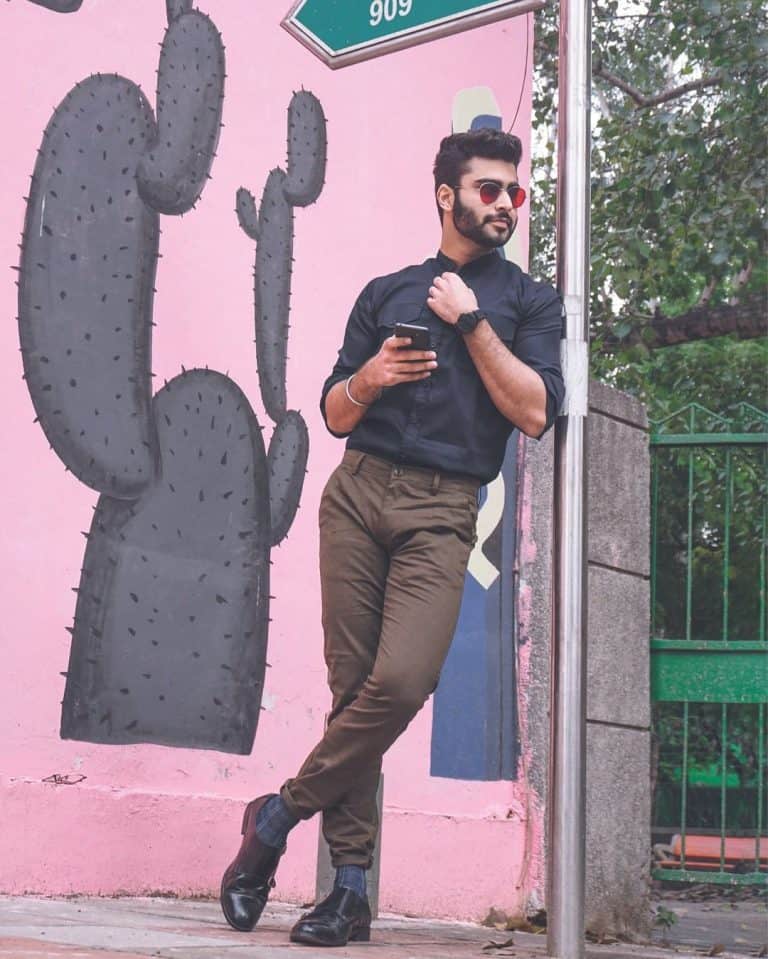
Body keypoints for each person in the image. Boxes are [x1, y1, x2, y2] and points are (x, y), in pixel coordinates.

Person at [220, 128, 565, 948]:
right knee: (353, 695)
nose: (504, 204)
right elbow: (336, 412)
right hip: (358, 494)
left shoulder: (529, 302)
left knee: (400, 682)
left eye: (512, 192)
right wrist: (369, 377)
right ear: (447, 195)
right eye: (488, 189)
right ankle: (348, 892)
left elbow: (535, 410)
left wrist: (473, 322)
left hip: (444, 511)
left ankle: (273, 817)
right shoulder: (387, 290)